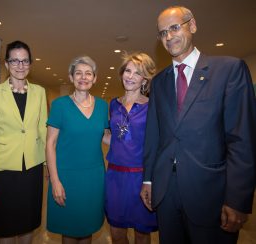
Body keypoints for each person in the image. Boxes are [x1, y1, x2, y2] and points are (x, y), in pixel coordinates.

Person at [140, 6, 256, 244]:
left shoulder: (229, 70)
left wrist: (238, 199)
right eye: (163, 33)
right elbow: (154, 135)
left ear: (192, 26)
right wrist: (149, 180)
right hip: (166, 194)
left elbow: (242, 139)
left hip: (210, 191)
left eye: (174, 28)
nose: (169, 37)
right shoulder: (159, 82)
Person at [0, 40, 47, 244]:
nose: (20, 66)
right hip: (3, 172)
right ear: (6, 64)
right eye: (15, 61)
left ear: (30, 64)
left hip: (32, 169)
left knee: (28, 226)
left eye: (25, 61)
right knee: (5, 229)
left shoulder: (40, 92)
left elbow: (43, 130)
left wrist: (49, 165)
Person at [46, 56, 109, 243]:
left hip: (94, 178)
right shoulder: (60, 105)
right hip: (67, 177)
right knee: (70, 230)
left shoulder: (102, 106)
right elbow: (50, 144)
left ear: (95, 78)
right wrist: (55, 181)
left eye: (88, 73)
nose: (83, 77)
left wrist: (132, 142)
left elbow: (103, 136)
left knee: (88, 227)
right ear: (71, 77)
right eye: (78, 73)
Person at [105, 52, 157, 243]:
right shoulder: (113, 105)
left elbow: (155, 144)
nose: (130, 76)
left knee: (142, 233)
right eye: (128, 71)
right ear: (121, 74)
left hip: (141, 178)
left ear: (145, 79)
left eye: (137, 73)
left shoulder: (152, 107)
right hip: (115, 177)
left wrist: (150, 180)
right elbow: (115, 138)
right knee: (116, 231)